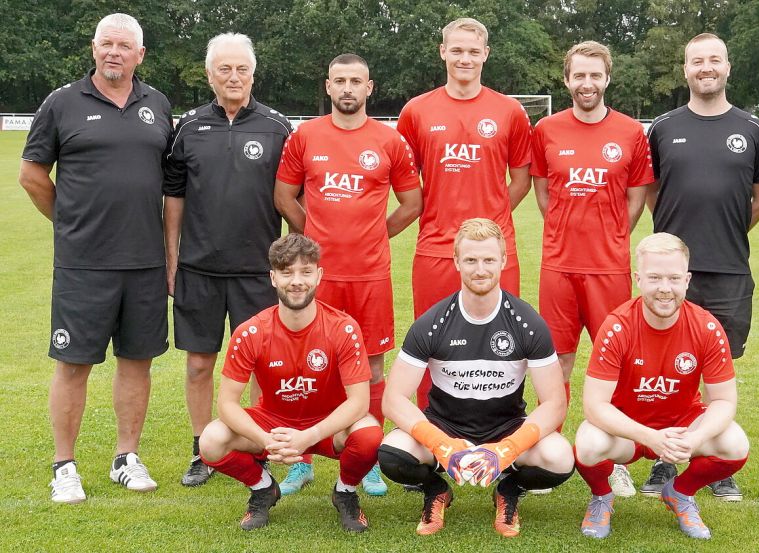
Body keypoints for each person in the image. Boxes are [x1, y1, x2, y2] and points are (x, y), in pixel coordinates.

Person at [19, 13, 173, 504]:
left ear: (139, 55)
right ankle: (64, 465)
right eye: (106, 43)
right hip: (84, 265)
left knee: (137, 362)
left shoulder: (158, 105)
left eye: (124, 45)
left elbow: (170, 182)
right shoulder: (62, 103)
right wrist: (69, 222)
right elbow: (32, 175)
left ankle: (126, 457)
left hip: (145, 262)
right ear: (93, 49)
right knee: (73, 362)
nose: (114, 52)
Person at [274, 53, 422, 496]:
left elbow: (412, 203)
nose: (347, 89)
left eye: (355, 81)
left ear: (369, 88)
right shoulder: (306, 136)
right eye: (339, 81)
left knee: (370, 366)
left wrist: (377, 234)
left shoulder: (389, 140)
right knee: (305, 363)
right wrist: (314, 243)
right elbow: (285, 197)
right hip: (318, 277)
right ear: (327, 86)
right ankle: (300, 459)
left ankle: (366, 456)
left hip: (370, 275)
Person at [642, 32, 759, 501]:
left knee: (717, 371)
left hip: (729, 270)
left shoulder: (753, 129)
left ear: (727, 67)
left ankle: (717, 462)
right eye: (697, 61)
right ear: (686, 70)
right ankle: (663, 460)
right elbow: (652, 189)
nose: (706, 68)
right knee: (666, 369)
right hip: (669, 276)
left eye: (714, 60)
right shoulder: (662, 127)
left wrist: (732, 230)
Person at [378, 219, 574, 537]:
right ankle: (435, 491)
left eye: (488, 260)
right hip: (445, 430)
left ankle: (508, 491)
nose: (479, 269)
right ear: (456, 261)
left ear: (503, 261)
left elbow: (555, 403)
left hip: (505, 431)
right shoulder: (432, 323)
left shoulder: (527, 323)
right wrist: (441, 444)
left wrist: (508, 448)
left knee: (560, 457)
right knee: (392, 452)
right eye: (470, 260)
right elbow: (394, 398)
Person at [163, 32, 292, 488]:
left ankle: (260, 448)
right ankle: (202, 448)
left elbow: (293, 198)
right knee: (200, 364)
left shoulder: (277, 128)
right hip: (198, 270)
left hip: (258, 272)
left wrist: (290, 264)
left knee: (262, 368)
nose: (234, 77)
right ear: (209, 75)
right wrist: (172, 257)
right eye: (224, 69)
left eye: (242, 69)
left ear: (253, 73)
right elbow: (173, 197)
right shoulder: (188, 127)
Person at [530, 40, 653, 497]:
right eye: (578, 75)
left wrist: (611, 236)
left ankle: (615, 454)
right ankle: (549, 452)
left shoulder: (630, 132)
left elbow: (635, 199)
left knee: (615, 363)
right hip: (559, 266)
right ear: (567, 80)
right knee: (555, 361)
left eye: (595, 75)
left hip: (609, 268)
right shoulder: (546, 130)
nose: (587, 83)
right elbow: (544, 194)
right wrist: (568, 231)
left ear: (607, 77)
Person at [198, 234, 383, 531]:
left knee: (370, 435)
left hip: (326, 424)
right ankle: (262, 488)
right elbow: (226, 404)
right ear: (273, 278)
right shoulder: (251, 332)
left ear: (319, 275)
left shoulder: (343, 328)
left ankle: (345, 492)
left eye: (306, 272)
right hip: (274, 424)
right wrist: (266, 441)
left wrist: (308, 437)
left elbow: (359, 401)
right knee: (211, 440)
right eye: (287, 272)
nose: (297, 281)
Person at [574, 233, 749, 540]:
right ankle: (602, 497)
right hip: (628, 429)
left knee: (735, 444)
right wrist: (649, 437)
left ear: (687, 280)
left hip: (681, 427)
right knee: (588, 444)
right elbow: (594, 405)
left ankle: (680, 493)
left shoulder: (707, 327)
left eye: (673, 278)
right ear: (638, 279)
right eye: (654, 277)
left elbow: (724, 401)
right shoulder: (617, 326)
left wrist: (694, 439)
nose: (664, 288)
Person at [396, 18, 533, 410]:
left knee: (503, 343)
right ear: (442, 52)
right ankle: (429, 435)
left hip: (496, 252)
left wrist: (488, 226)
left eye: (473, 51)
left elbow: (521, 180)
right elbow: (405, 183)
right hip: (435, 250)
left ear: (486, 55)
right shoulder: (415, 111)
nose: (464, 58)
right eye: (456, 50)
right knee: (429, 344)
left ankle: (501, 432)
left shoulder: (509, 111)